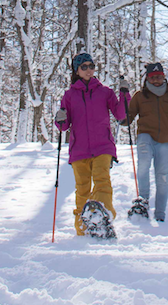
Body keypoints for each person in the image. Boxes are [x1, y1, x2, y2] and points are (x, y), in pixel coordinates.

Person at [55, 52, 131, 236]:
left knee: (102, 182)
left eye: (91, 66)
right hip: (79, 149)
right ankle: (82, 229)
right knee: (82, 189)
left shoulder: (105, 92)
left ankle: (104, 217)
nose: (89, 70)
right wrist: (60, 119)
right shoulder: (69, 95)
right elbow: (64, 126)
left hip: (102, 146)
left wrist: (125, 94)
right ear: (77, 71)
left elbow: (121, 115)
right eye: (84, 67)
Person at [126, 61, 168, 222]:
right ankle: (143, 204)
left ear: (163, 78)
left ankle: (160, 214)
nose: (156, 80)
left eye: (159, 77)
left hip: (166, 141)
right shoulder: (140, 96)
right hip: (145, 136)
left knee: (162, 176)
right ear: (147, 78)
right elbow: (127, 117)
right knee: (143, 166)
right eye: (152, 77)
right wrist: (123, 110)